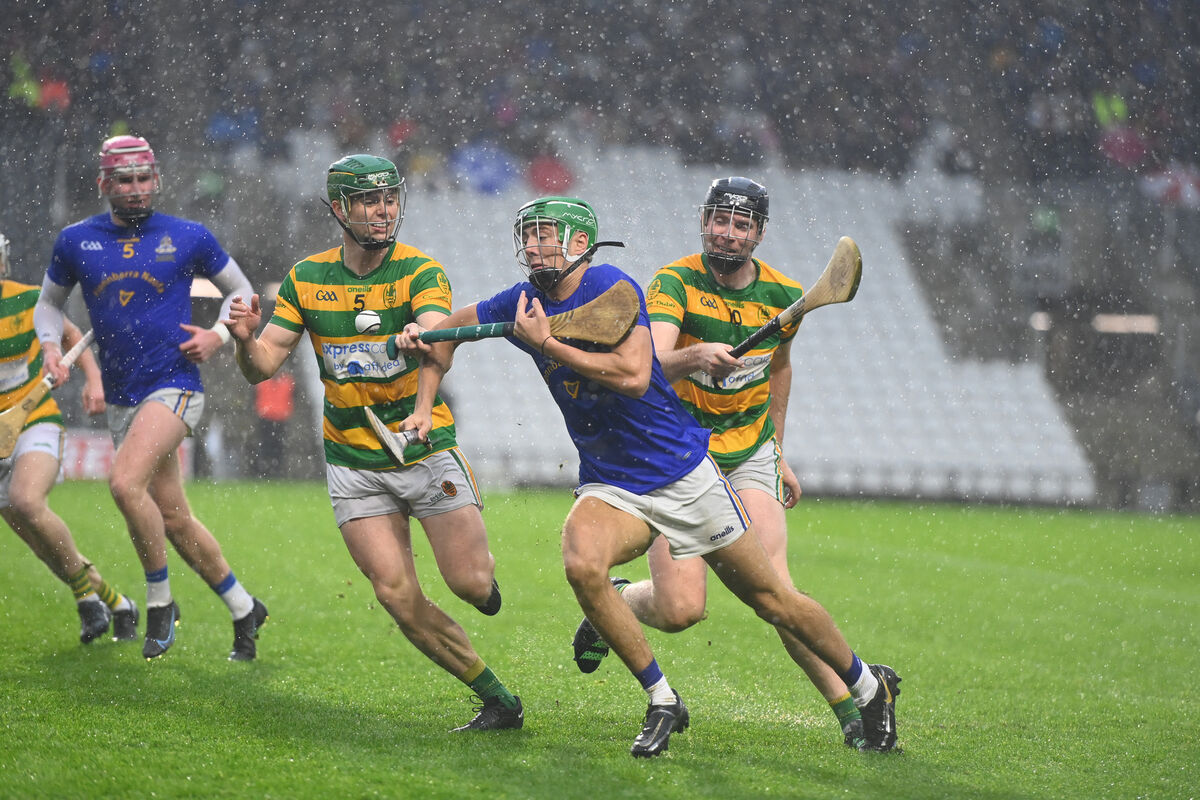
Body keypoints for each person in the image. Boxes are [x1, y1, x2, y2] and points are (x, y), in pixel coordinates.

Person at [400, 195, 901, 757]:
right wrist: (421, 360)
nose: (537, 246)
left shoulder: (614, 287)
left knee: (772, 599)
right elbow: (447, 331)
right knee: (581, 562)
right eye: (531, 235)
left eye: (548, 235)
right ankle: (662, 699)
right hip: (613, 481)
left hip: (683, 472)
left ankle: (865, 686)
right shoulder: (519, 301)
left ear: (580, 244)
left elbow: (636, 375)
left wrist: (546, 344)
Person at [568, 177, 874, 749]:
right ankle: (619, 597)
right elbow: (648, 365)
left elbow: (778, 368)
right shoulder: (674, 283)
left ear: (758, 233)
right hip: (678, 458)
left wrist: (777, 453)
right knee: (681, 610)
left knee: (779, 594)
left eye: (741, 224)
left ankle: (851, 710)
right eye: (718, 220)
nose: (727, 232)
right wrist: (695, 356)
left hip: (749, 451)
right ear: (703, 221)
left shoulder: (784, 296)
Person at [224, 154, 521, 732]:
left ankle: (481, 583)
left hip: (423, 447)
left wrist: (421, 333)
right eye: (368, 200)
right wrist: (242, 340)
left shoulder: (421, 272)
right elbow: (262, 367)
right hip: (353, 462)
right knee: (394, 592)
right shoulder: (306, 279)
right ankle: (496, 698)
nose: (382, 211)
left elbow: (437, 334)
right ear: (340, 208)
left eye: (388, 199)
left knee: (470, 583)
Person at [33, 135, 268, 662]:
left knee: (122, 484)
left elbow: (243, 293)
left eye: (144, 179)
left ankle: (159, 603)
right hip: (123, 395)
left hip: (176, 384)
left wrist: (221, 336)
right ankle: (242, 607)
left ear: (156, 179)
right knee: (175, 518)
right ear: (105, 184)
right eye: (125, 180)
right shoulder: (76, 241)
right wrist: (50, 347)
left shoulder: (188, 236)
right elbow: (48, 307)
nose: (137, 190)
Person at [0, 231, 139, 645]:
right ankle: (117, 603)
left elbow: (71, 335)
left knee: (27, 501)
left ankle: (83, 598)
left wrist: (93, 380)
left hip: (34, 418)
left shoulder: (27, 300)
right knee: (44, 546)